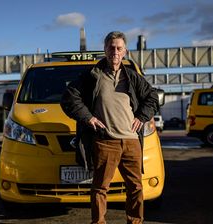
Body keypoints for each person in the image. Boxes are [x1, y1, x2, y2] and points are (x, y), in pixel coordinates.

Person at [60, 31, 159, 224]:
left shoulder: (132, 77)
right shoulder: (92, 76)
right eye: (111, 47)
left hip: (131, 141)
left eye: (119, 48)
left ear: (125, 51)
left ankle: (135, 221)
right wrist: (88, 118)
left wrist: (142, 116)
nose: (115, 51)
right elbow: (70, 97)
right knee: (100, 188)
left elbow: (152, 97)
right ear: (105, 50)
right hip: (106, 142)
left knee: (136, 187)